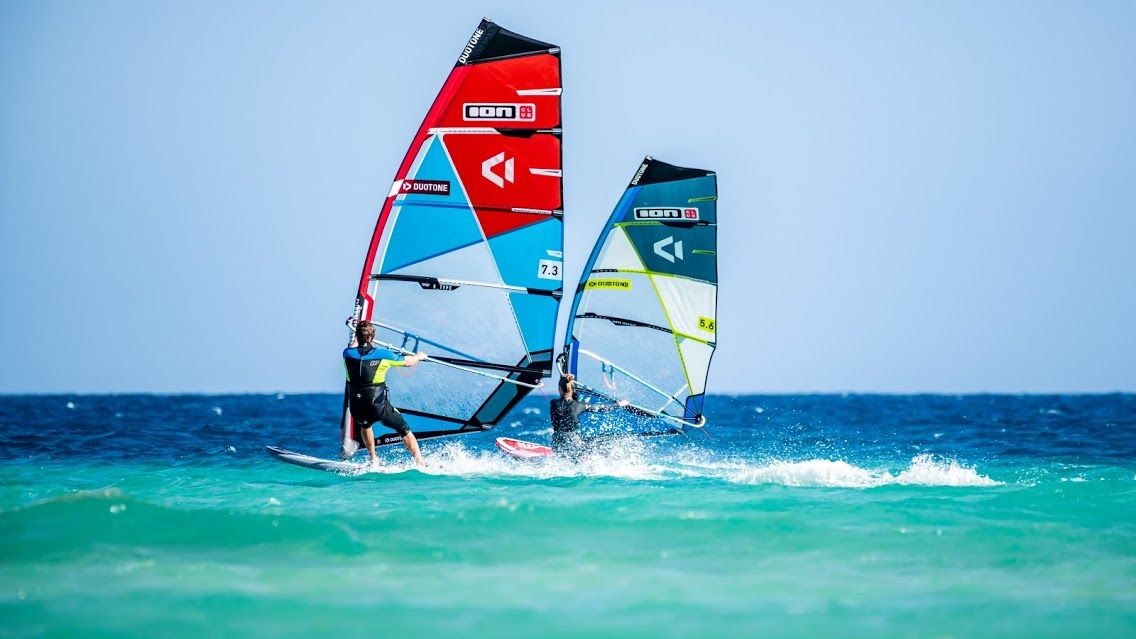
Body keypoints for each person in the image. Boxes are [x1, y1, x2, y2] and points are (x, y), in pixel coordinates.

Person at [343, 320, 427, 467]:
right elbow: (409, 362)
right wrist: (419, 356)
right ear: (373, 336)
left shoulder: (347, 354)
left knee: (365, 424)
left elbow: (354, 347)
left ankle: (373, 459)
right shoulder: (384, 355)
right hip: (378, 408)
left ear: (356, 336)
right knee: (404, 429)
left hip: (356, 409)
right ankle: (420, 463)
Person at [549, 373, 628, 460]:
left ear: (559, 389)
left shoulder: (553, 403)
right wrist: (619, 404)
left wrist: (565, 379)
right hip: (573, 442)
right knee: (599, 443)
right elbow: (601, 408)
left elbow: (566, 402)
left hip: (557, 443)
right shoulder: (580, 405)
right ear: (573, 390)